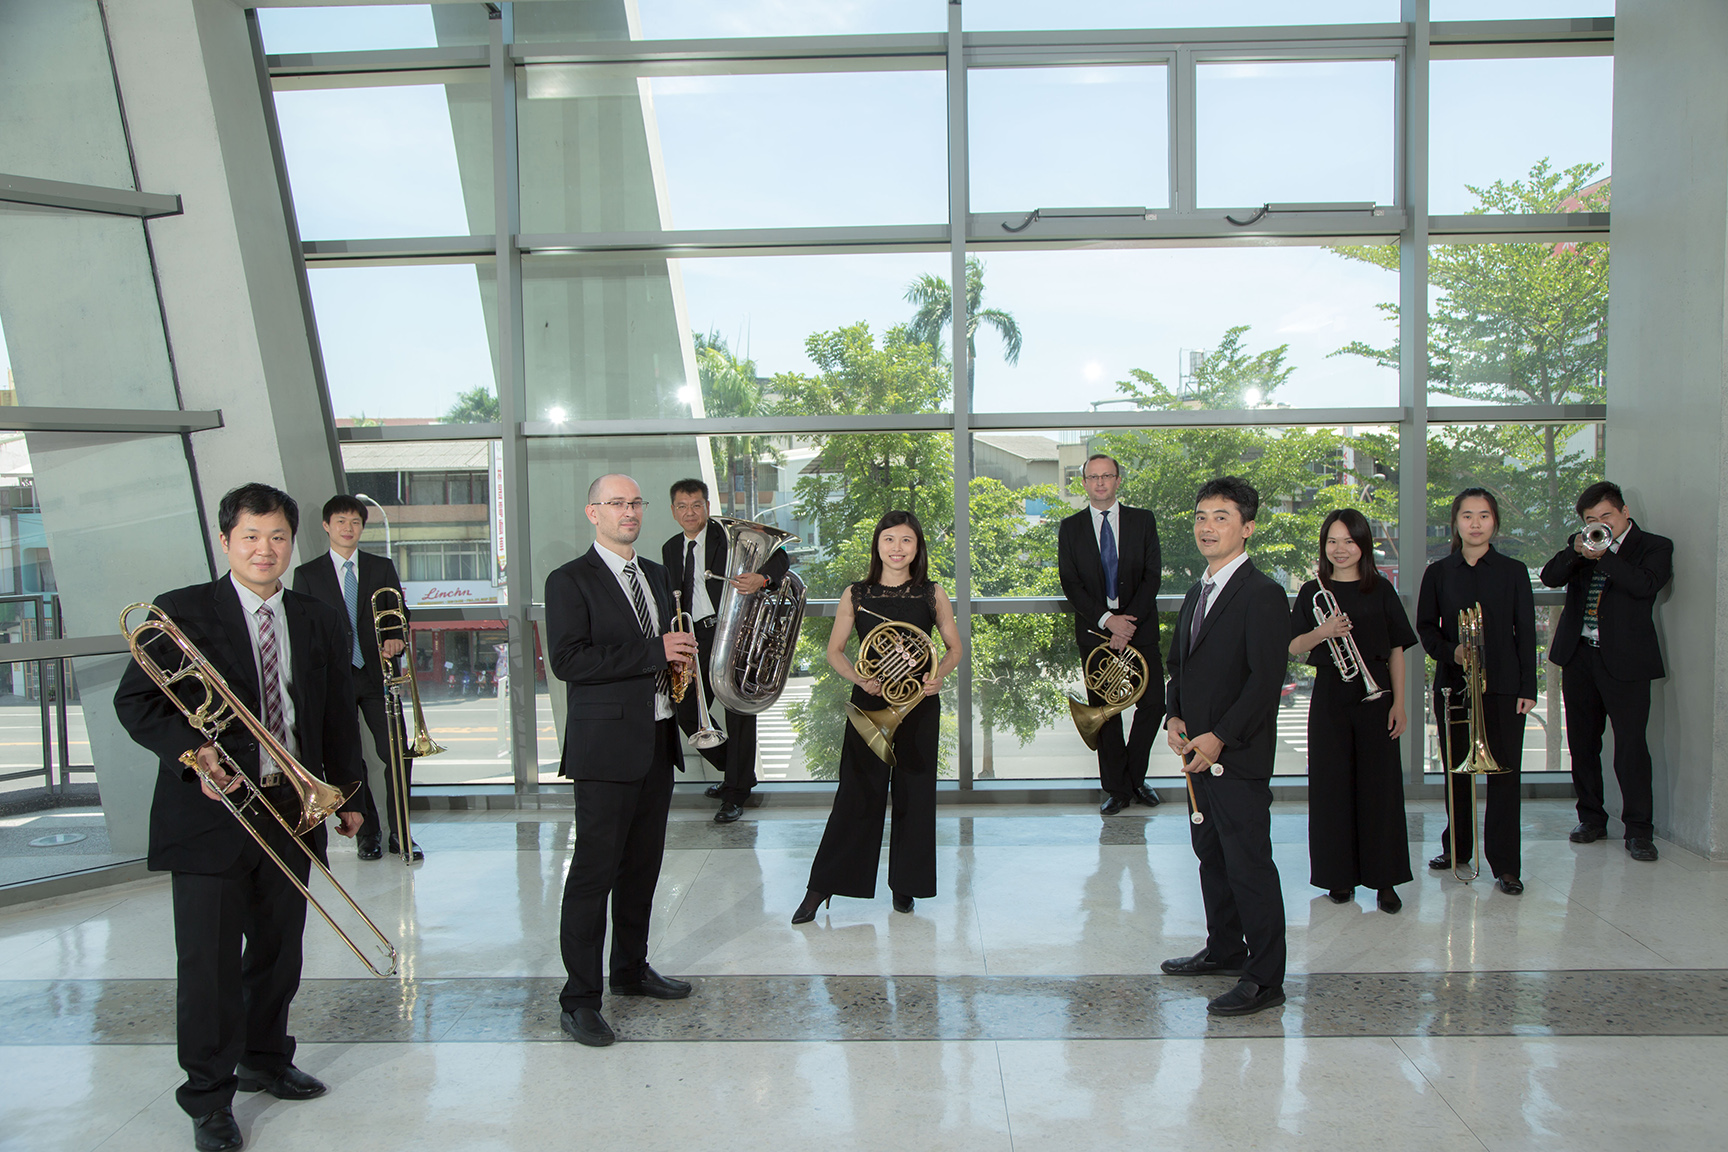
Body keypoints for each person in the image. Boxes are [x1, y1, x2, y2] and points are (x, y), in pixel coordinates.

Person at [113, 483, 365, 1152]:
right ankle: (207, 1097)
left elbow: (335, 710)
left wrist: (349, 795)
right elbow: (138, 705)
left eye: (277, 536)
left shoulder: (315, 616)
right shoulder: (180, 613)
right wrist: (193, 752)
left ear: (291, 541)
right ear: (226, 541)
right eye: (251, 536)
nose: (265, 549)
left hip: (291, 803)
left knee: (280, 950)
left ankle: (265, 1057)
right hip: (211, 812)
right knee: (210, 963)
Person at [546, 473, 699, 1047]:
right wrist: (652, 651)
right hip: (605, 750)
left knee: (642, 870)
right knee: (593, 875)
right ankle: (579, 999)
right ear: (593, 512)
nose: (629, 511)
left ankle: (630, 971)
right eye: (617, 503)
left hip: (657, 740)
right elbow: (567, 660)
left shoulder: (658, 576)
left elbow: (667, 649)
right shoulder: (568, 580)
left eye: (636, 502)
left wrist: (680, 662)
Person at [1159, 477, 1290, 1016]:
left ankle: (1265, 978)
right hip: (1196, 752)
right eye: (1201, 516)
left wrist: (1219, 738)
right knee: (1211, 856)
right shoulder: (1197, 592)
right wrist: (1174, 716)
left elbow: (1264, 681)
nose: (1207, 526)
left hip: (1236, 756)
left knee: (1249, 864)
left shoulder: (1263, 593)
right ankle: (1225, 949)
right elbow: (1178, 666)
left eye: (1221, 517)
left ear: (1248, 527)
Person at [792, 511, 962, 923]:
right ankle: (822, 887)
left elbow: (954, 647)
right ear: (877, 545)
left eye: (906, 540)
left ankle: (906, 886)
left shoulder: (932, 593)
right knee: (857, 792)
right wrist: (859, 678)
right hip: (870, 702)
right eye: (889, 540)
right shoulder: (855, 594)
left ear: (917, 547)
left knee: (915, 793)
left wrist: (937, 678)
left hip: (917, 703)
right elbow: (835, 651)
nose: (897, 548)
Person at [1289, 509, 1418, 914]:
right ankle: (1338, 878)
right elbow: (1292, 645)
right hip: (1330, 696)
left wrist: (1399, 702)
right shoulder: (1313, 590)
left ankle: (1385, 882)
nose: (1339, 549)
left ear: (1363, 543)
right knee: (1331, 789)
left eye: (1348, 541)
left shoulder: (1380, 589)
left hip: (1377, 697)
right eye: (1332, 541)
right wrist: (1323, 633)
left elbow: (1396, 650)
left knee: (1380, 791)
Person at [1539, 481, 1673, 861]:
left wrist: (1605, 556)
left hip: (1627, 661)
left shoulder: (1655, 546)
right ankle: (1592, 819)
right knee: (1583, 743)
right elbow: (1550, 577)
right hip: (1579, 656)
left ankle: (1639, 830)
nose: (1599, 524)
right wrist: (1576, 552)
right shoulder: (1581, 543)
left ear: (1624, 512)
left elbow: (1645, 585)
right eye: (1590, 519)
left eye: (1606, 517)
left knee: (1631, 746)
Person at [1417, 487, 1537, 894]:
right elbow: (1426, 629)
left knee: (1504, 776)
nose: (1475, 523)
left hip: (1503, 688)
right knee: (1457, 774)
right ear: (1455, 522)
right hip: (1454, 687)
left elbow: (1525, 635)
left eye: (1483, 516)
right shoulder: (1438, 573)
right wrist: (1453, 650)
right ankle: (1457, 850)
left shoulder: (1514, 571)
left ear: (1495, 522)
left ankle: (1505, 865)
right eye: (1467, 516)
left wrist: (1528, 688)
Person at [291, 495, 419, 862]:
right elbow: (303, 628)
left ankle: (402, 834)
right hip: (336, 679)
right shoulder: (308, 574)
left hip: (379, 675)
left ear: (363, 528)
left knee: (397, 753)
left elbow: (397, 611)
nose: (348, 529)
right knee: (350, 759)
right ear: (327, 526)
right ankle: (368, 835)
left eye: (355, 523)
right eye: (341, 521)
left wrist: (396, 634)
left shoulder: (381, 567)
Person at [661, 478, 791, 824]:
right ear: (673, 511)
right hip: (693, 638)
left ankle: (734, 792)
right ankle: (738, 772)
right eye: (682, 506)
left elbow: (782, 556)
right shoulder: (670, 548)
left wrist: (762, 579)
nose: (690, 512)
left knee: (738, 712)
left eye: (697, 505)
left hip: (732, 633)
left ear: (706, 506)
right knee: (686, 709)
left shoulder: (726, 535)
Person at [1056, 453, 1165, 816]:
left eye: (1107, 476)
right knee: (1106, 712)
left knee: (1153, 705)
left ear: (1119, 480)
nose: (1100, 483)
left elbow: (1153, 575)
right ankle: (1118, 789)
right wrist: (1107, 620)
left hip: (1140, 628)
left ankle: (1134, 777)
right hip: (1095, 632)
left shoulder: (1143, 520)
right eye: (1093, 477)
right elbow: (1070, 583)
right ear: (1084, 483)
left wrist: (1126, 623)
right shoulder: (1070, 528)